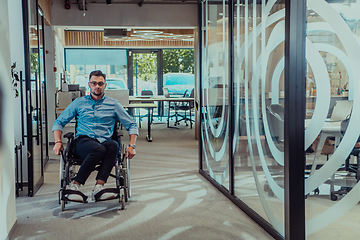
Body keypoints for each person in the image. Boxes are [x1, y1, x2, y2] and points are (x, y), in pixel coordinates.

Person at [52, 70, 138, 202]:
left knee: (113, 145)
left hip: (104, 142)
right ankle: (75, 185)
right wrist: (58, 142)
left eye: (100, 83)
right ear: (89, 85)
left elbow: (131, 124)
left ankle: (99, 187)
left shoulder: (113, 104)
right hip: (83, 142)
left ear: (105, 85)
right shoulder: (79, 103)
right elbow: (59, 122)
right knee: (99, 149)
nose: (97, 86)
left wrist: (132, 146)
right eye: (94, 83)